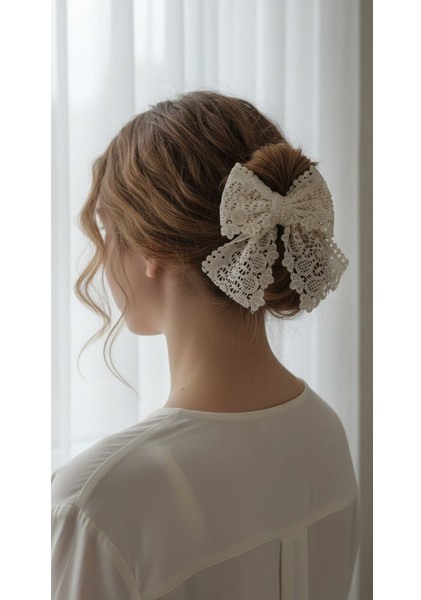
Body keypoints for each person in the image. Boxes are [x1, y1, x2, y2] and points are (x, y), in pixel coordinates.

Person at [51, 90, 360, 599]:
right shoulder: (325, 433)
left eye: (108, 228)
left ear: (151, 247)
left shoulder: (97, 505)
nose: (103, 256)